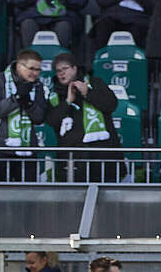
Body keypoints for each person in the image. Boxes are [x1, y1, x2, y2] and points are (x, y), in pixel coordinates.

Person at [47, 52, 122, 183]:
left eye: (65, 69)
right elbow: (51, 120)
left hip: (101, 153)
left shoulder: (95, 83)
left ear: (75, 68)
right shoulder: (54, 95)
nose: (61, 73)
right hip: (72, 157)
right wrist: (68, 101)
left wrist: (87, 93)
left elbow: (111, 105)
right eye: (58, 71)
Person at [0, 50, 50, 183]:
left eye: (38, 69)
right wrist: (16, 99)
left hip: (27, 149)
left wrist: (29, 104)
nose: (35, 73)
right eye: (31, 68)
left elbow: (39, 118)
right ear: (19, 66)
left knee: (27, 195)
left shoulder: (38, 85)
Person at [5, 0, 87, 48]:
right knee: (28, 24)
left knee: (63, 27)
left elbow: (81, 0)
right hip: (32, 14)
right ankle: (29, 63)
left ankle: (62, 64)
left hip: (63, 16)